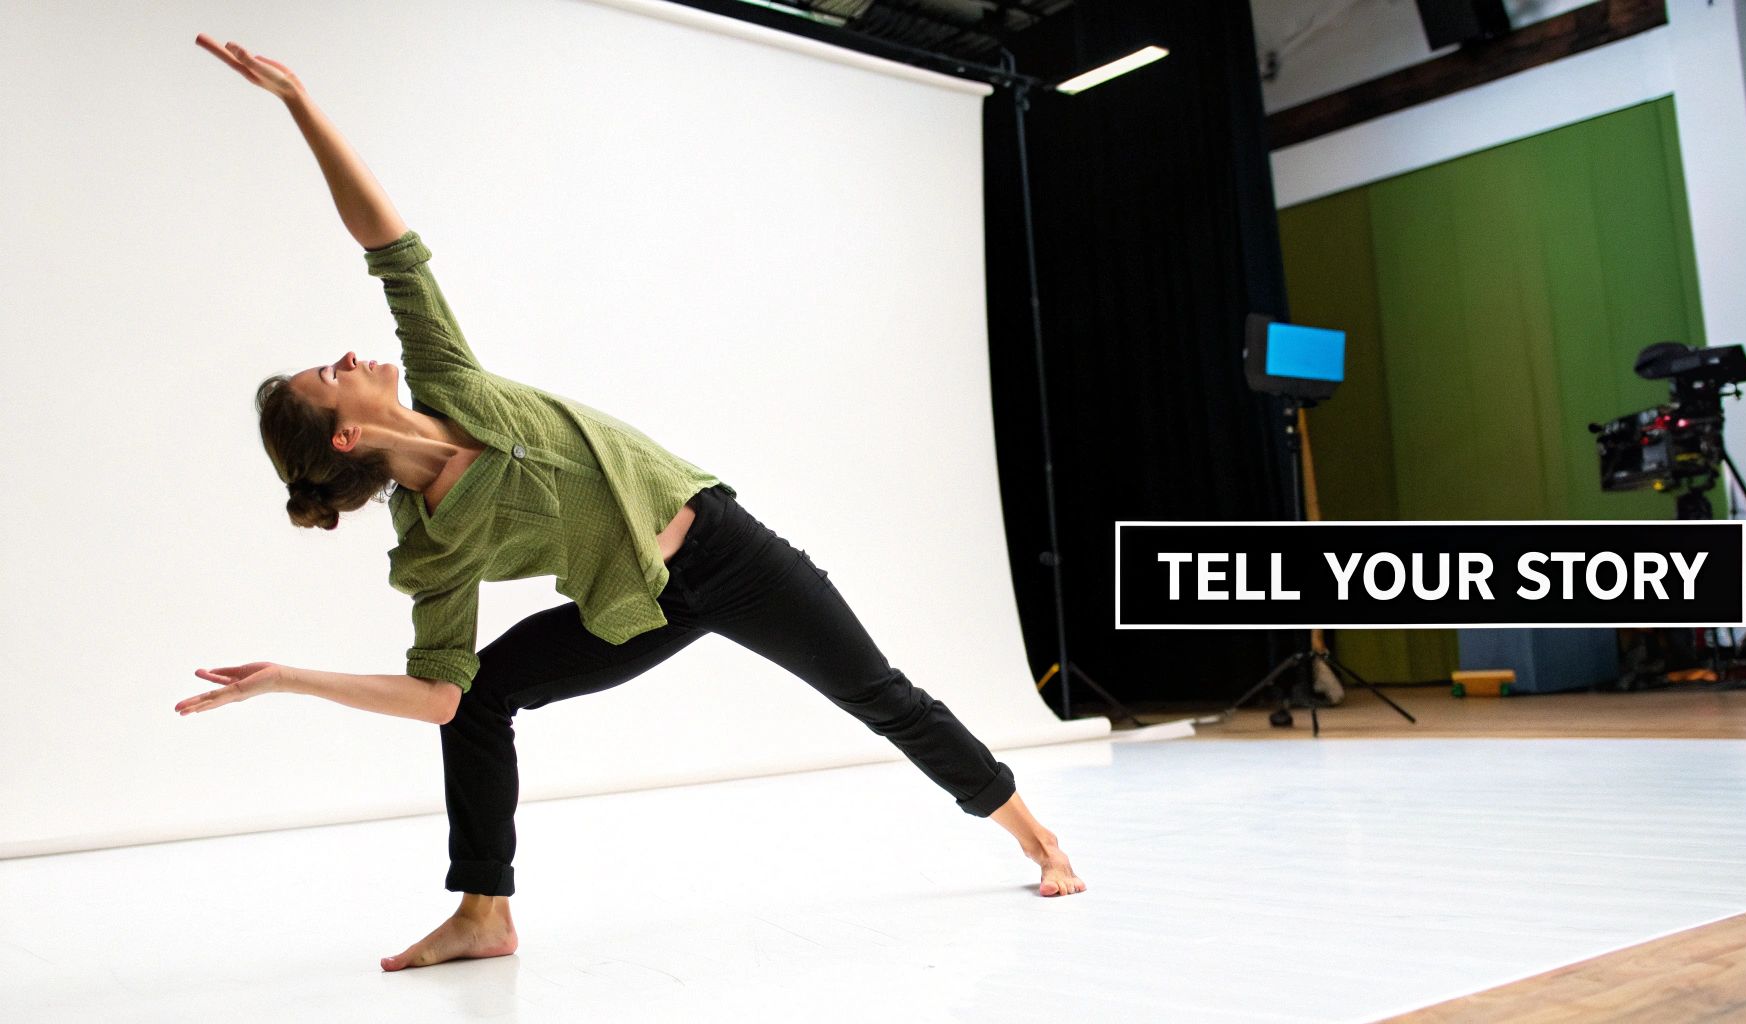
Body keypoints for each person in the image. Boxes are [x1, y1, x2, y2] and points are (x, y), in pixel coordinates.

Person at [178, 34, 1086, 972]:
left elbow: (388, 245)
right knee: (482, 696)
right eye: (334, 375)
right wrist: (290, 679)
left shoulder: (446, 379)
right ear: (344, 436)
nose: (351, 357)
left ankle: (1034, 834)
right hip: (634, 608)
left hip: (724, 551)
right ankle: (483, 911)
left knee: (878, 694)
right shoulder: (431, 542)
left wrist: (299, 103)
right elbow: (439, 697)